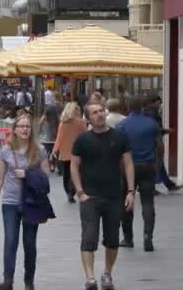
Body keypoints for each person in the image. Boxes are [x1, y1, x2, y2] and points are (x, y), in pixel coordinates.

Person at [70, 102, 135, 290]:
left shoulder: (119, 137)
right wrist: (80, 192)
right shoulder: (82, 140)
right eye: (94, 112)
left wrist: (131, 191)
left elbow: (129, 164)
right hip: (90, 197)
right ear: (88, 118)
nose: (99, 115)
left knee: (112, 239)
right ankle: (90, 278)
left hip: (114, 195)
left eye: (101, 111)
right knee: (89, 237)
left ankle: (107, 273)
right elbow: (74, 166)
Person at [0, 114, 50, 290]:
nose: (24, 129)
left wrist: (29, 174)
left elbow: (46, 179)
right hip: (10, 202)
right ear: (14, 129)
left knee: (30, 243)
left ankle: (29, 281)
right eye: (21, 126)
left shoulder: (39, 150)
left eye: (28, 127)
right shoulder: (6, 151)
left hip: (31, 202)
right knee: (10, 240)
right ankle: (8, 280)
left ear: (32, 130)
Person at [116, 96, 160, 251]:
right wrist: (157, 163)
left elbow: (119, 151)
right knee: (148, 202)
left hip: (129, 168)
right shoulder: (152, 124)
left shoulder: (122, 126)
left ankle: (128, 238)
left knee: (127, 202)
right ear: (143, 106)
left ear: (128, 107)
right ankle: (148, 236)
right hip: (147, 166)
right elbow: (159, 146)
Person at [52, 102, 87, 203]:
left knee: (67, 174)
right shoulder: (82, 122)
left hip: (65, 152)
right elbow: (85, 136)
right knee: (77, 173)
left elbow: (59, 138)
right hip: (79, 152)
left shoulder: (63, 123)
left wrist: (54, 151)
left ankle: (68, 192)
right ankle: (72, 191)